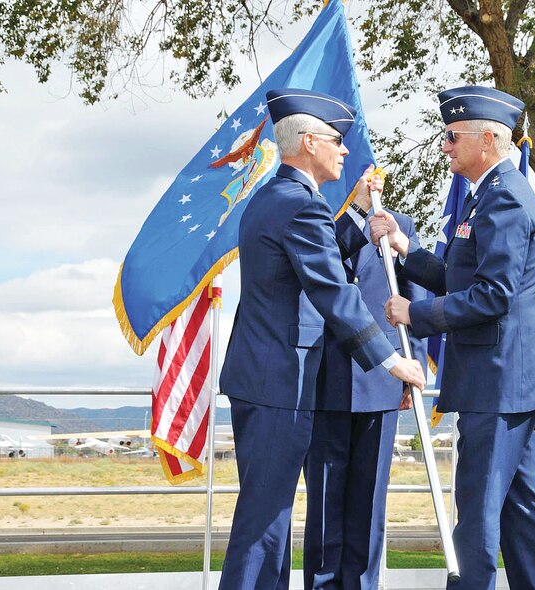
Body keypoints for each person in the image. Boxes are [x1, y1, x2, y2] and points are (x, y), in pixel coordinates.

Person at [218, 88, 426, 590]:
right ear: (309, 142)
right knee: (265, 523)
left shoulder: (276, 197)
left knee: (267, 520)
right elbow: (336, 294)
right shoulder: (301, 206)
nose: (346, 150)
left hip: (267, 380)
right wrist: (392, 361)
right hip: (278, 384)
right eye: (337, 140)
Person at [370, 85, 535, 590]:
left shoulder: (504, 198)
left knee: (478, 512)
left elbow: (493, 295)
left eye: (453, 136)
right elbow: (460, 276)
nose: (445, 146)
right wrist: (405, 249)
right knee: (522, 510)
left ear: (487, 139)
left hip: (500, 382)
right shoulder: (488, 194)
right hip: (505, 381)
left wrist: (414, 313)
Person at [303, 192, 428, 590]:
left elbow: (416, 296)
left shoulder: (400, 226)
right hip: (327, 379)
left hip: (383, 377)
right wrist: (355, 218)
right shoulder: (322, 226)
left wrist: (415, 367)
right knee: (324, 504)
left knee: (369, 503)